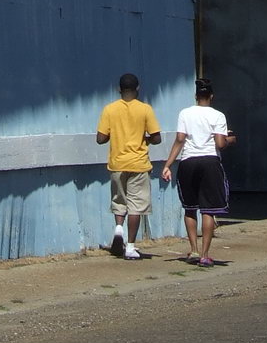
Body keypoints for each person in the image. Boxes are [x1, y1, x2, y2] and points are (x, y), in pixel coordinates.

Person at [161, 78, 235, 266]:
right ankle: (204, 255)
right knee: (208, 210)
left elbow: (179, 139)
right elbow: (220, 143)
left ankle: (193, 250)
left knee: (190, 207)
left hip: (188, 161)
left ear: (195, 96)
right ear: (211, 96)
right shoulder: (218, 116)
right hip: (210, 161)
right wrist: (230, 140)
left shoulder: (185, 113)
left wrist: (168, 164)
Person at [96, 72, 162, 260]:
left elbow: (100, 139)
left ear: (119, 89)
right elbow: (157, 138)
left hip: (117, 163)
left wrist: (114, 134)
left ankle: (118, 230)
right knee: (136, 206)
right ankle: (131, 247)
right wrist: (146, 138)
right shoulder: (145, 109)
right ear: (138, 88)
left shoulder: (109, 109)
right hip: (139, 163)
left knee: (119, 201)